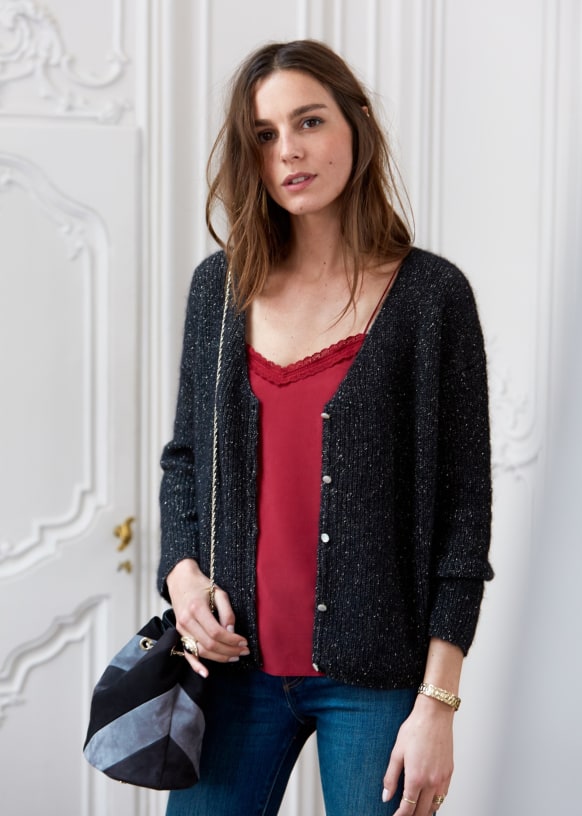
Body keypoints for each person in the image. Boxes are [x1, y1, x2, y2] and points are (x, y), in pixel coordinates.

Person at [157, 39, 493, 816]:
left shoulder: (431, 298)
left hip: (375, 681)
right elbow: (184, 460)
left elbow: (463, 515)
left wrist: (438, 703)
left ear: (357, 124)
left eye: (308, 121)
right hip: (231, 669)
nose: (288, 151)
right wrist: (181, 575)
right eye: (265, 134)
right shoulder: (220, 289)